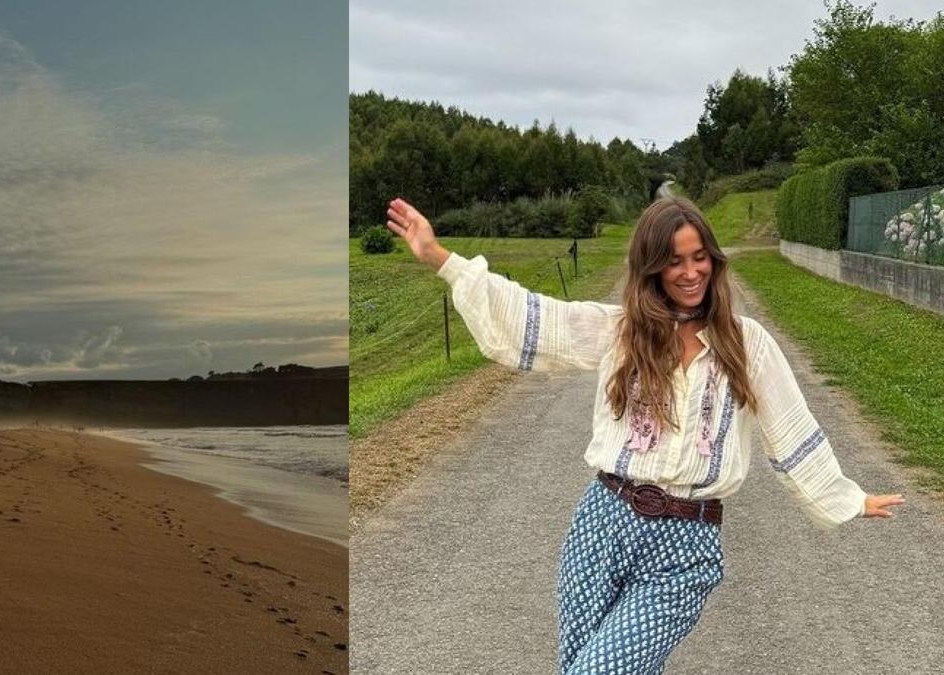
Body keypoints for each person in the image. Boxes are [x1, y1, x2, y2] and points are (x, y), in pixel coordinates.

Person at [384, 196, 905, 674]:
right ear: (652, 268)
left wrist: (848, 498)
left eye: (699, 257)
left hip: (686, 545)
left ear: (714, 260)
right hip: (602, 525)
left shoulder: (748, 345)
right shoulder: (622, 332)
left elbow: (792, 430)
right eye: (674, 261)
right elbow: (531, 319)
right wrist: (438, 256)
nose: (690, 272)